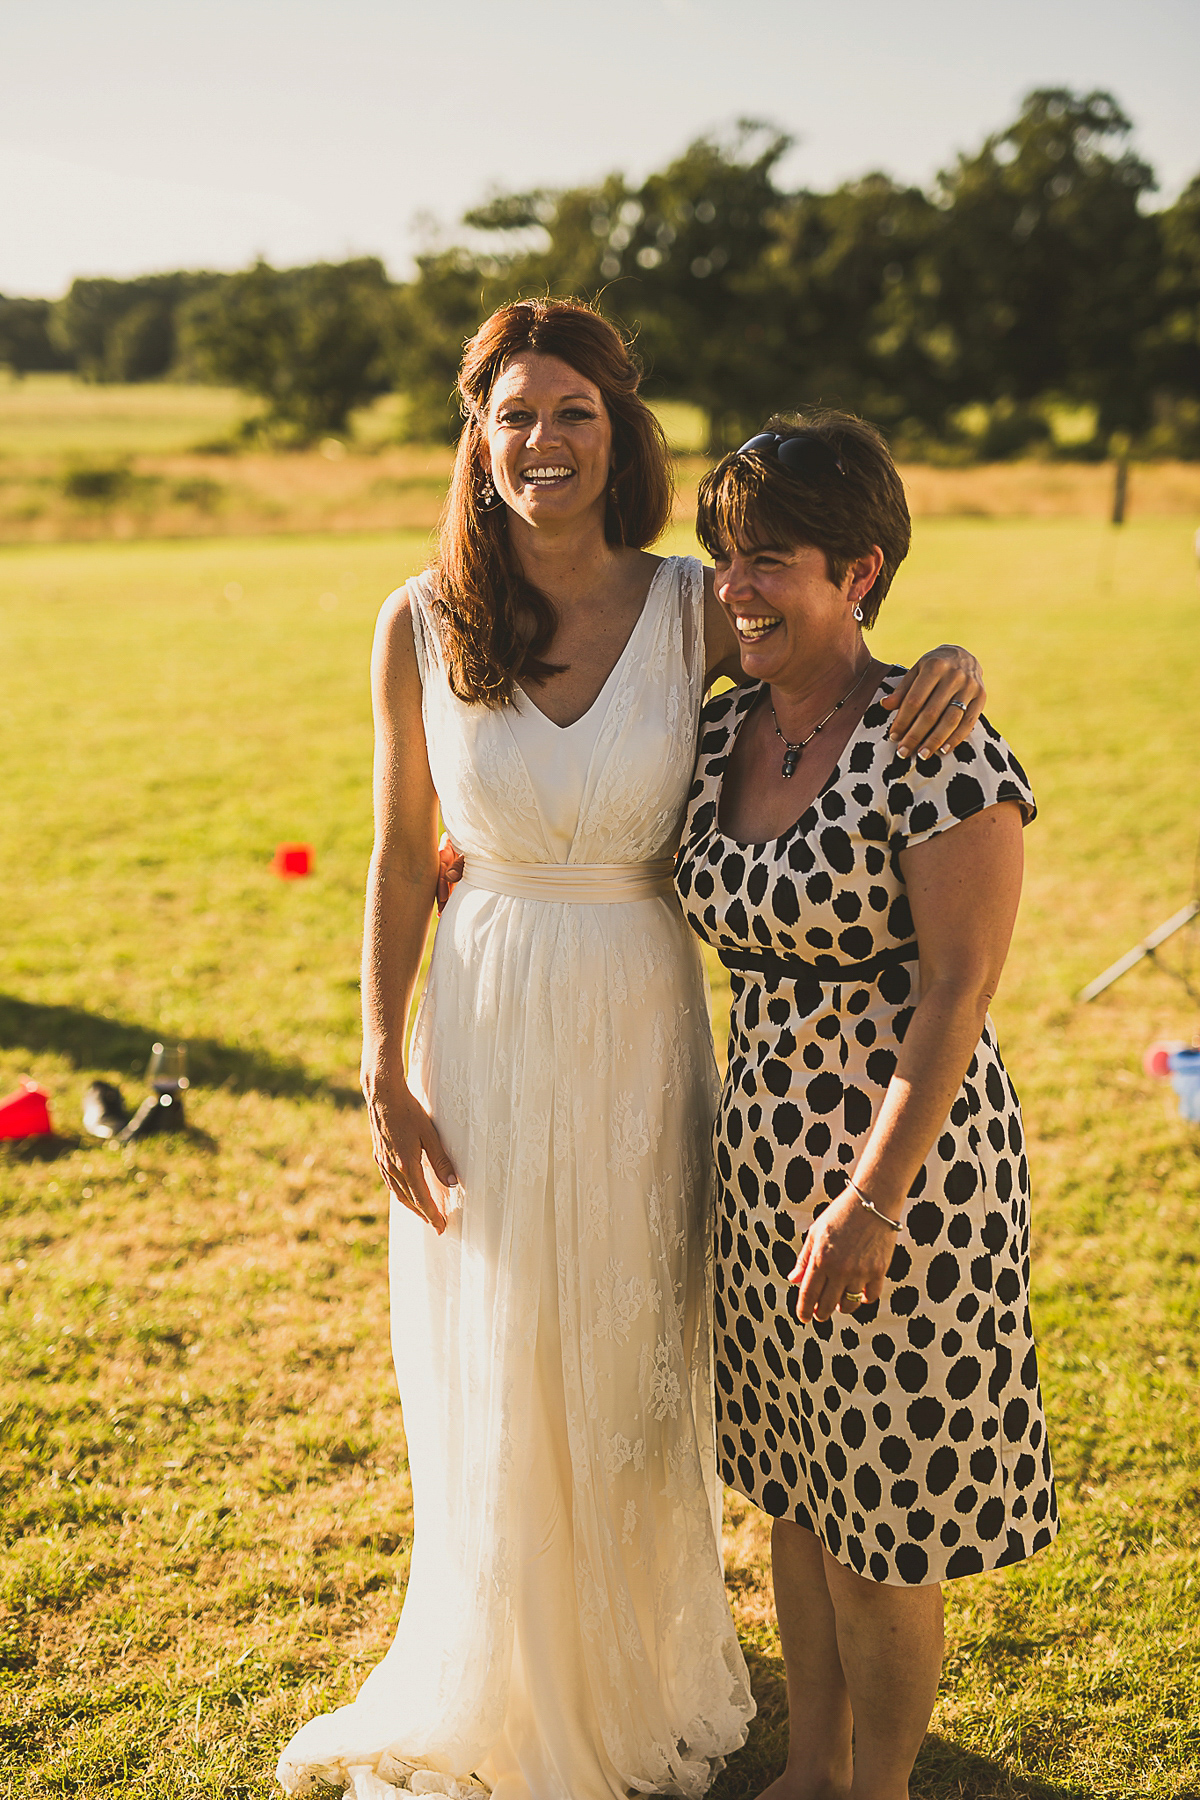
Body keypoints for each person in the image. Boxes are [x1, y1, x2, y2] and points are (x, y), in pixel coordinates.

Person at [276, 303, 986, 1800]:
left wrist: (958, 658)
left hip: (643, 1028)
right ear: (478, 435)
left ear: (621, 433)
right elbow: (404, 858)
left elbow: (831, 668)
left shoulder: (688, 606)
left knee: (632, 1355)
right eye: (516, 413)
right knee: (504, 1358)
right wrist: (376, 1064)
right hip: (476, 1025)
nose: (544, 440)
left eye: (575, 412)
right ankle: (508, 1666)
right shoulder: (418, 620)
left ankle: (635, 1665)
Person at [674, 413, 1057, 1800]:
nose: (736, 588)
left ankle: (880, 1788)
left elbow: (957, 991)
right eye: (728, 558)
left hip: (910, 1170)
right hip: (762, 1159)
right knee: (795, 1488)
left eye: (770, 560)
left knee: (880, 1517)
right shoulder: (719, 729)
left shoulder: (938, 742)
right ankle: (815, 1765)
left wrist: (872, 1200)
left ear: (861, 573)